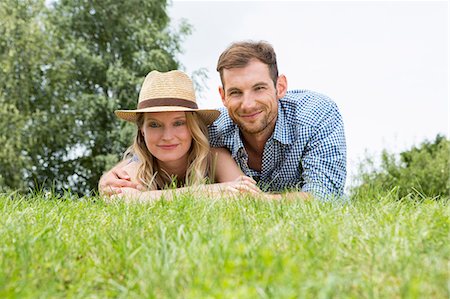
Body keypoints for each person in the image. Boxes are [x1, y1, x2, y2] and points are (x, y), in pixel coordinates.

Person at [100, 40, 346, 201]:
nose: (247, 104)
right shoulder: (213, 130)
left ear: (279, 87)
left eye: (259, 88)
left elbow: (326, 197)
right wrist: (108, 180)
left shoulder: (315, 116)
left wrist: (262, 201)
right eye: (236, 92)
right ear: (223, 96)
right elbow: (152, 152)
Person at [102, 69, 260, 201]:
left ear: (193, 127)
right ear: (142, 131)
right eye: (154, 125)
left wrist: (146, 198)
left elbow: (247, 195)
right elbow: (121, 201)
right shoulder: (138, 168)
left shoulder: (215, 157)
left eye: (178, 123)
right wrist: (216, 190)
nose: (167, 136)